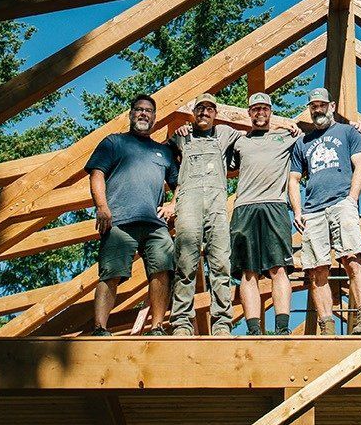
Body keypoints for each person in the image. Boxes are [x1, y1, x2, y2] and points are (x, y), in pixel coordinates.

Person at [84, 94, 178, 336]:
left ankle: (156, 326)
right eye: (139, 109)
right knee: (111, 273)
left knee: (162, 268)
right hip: (119, 221)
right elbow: (97, 174)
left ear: (155, 117)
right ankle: (100, 328)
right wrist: (102, 207)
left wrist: (173, 204)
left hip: (155, 224)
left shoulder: (163, 152)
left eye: (148, 111)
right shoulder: (114, 143)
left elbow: (179, 184)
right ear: (131, 113)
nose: (144, 114)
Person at [288, 88, 361, 336]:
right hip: (313, 210)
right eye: (313, 106)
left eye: (321, 105)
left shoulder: (348, 132)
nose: (317, 110)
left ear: (332, 106)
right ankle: (327, 327)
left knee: (352, 260)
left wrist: (352, 199)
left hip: (341, 203)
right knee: (316, 270)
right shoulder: (303, 142)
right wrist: (297, 211)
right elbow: (293, 180)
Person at [166, 94, 242, 335]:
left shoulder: (226, 134)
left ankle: (221, 323)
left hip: (217, 207)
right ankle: (181, 323)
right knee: (186, 263)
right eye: (200, 109)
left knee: (220, 264)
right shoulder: (182, 137)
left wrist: (286, 127)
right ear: (193, 113)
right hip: (188, 204)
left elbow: (255, 138)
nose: (204, 113)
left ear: (215, 114)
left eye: (209, 109)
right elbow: (160, 159)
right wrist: (171, 200)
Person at [227, 93, 302, 335]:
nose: (260, 113)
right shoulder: (239, 141)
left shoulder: (287, 136)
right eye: (255, 109)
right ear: (249, 113)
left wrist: (357, 126)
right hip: (244, 207)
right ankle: (253, 329)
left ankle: (282, 327)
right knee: (248, 271)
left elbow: (312, 129)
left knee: (278, 268)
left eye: (264, 109)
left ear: (270, 112)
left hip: (275, 206)